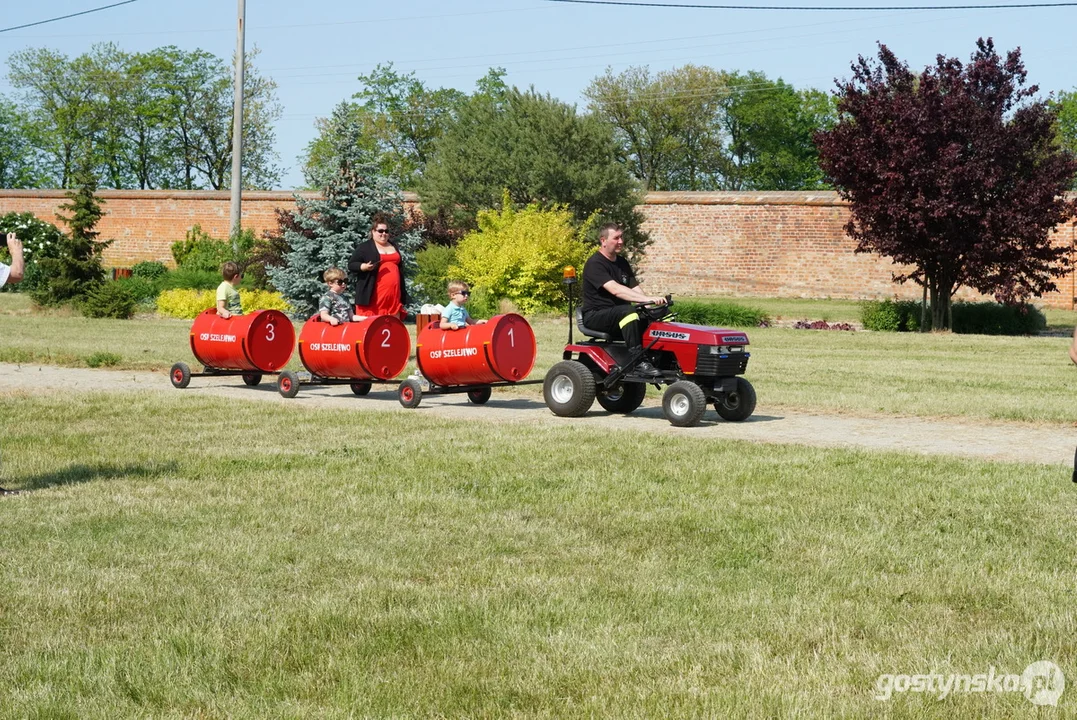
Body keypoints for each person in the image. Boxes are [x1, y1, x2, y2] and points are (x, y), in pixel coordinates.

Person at [581, 223, 667, 376]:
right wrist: (648, 298)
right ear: (603, 240)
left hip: (619, 314)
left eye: (621, 237)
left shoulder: (622, 263)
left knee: (653, 317)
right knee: (628, 311)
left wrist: (649, 305)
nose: (621, 241)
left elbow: (634, 288)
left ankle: (660, 358)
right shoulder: (595, 264)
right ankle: (637, 361)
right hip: (596, 315)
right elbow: (616, 290)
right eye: (616, 238)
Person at [347, 213, 409, 319]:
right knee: (372, 325)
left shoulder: (393, 245)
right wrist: (364, 267)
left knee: (391, 324)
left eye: (386, 231)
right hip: (373, 294)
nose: (383, 234)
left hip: (393, 294)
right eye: (380, 231)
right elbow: (351, 265)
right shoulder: (365, 247)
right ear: (373, 232)